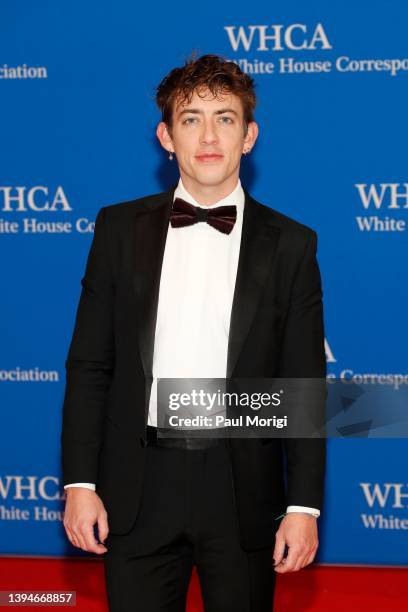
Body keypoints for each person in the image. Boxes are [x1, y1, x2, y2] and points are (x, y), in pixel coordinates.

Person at [61, 53, 326, 612]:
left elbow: (303, 383)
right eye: (191, 119)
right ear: (166, 136)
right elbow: (90, 366)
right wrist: (80, 484)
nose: (209, 136)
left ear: (249, 136)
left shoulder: (292, 245)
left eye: (225, 118)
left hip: (242, 493)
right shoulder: (116, 229)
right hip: (135, 489)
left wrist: (303, 507)